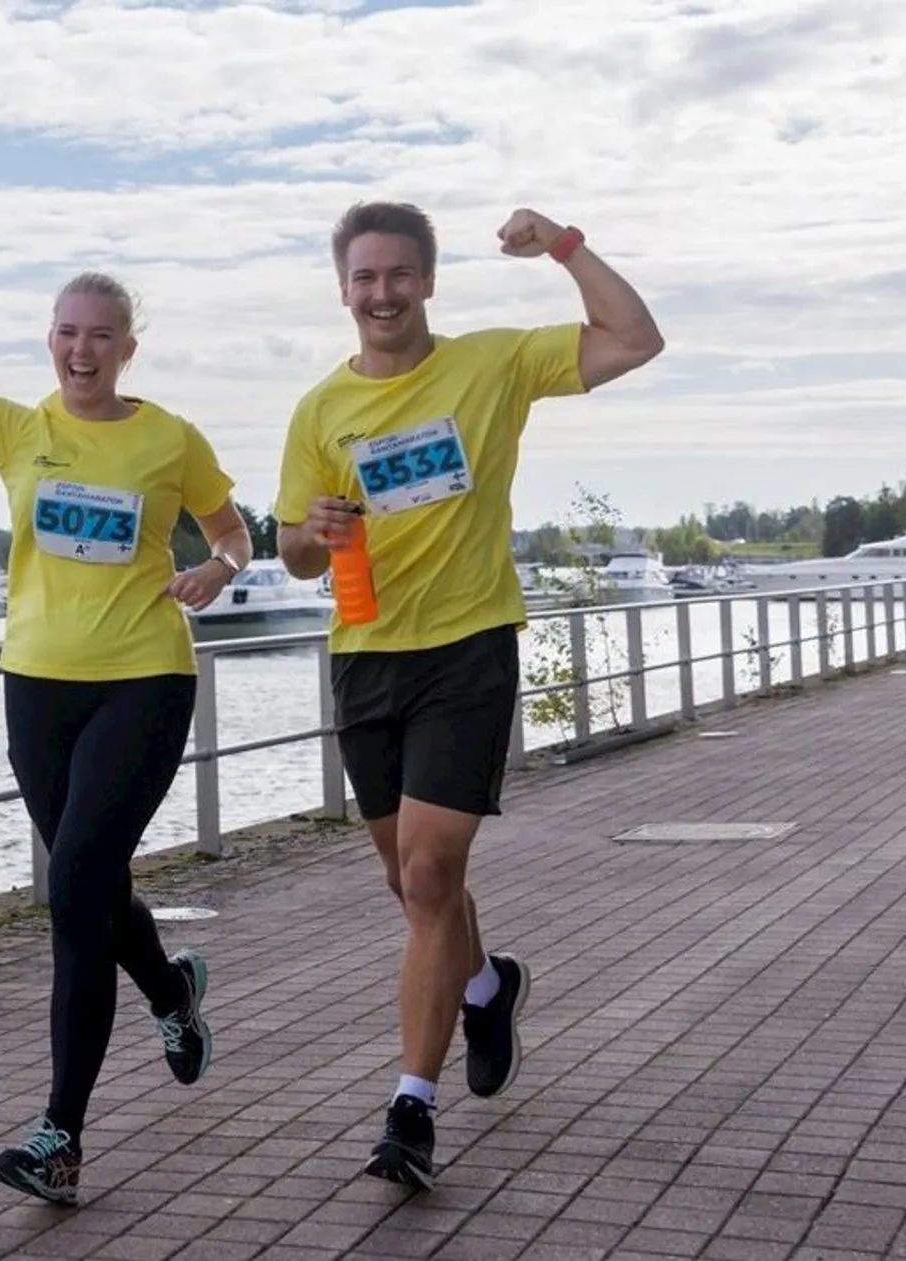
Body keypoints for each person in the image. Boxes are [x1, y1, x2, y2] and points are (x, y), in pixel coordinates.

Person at [0, 216, 253, 1206]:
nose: (82, 351)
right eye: (66, 333)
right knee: (89, 886)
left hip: (144, 679)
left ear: (127, 347)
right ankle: (170, 989)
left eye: (101, 335)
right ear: (51, 339)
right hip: (37, 685)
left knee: (73, 886)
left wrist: (220, 566)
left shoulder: (169, 437)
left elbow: (232, 528)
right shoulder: (16, 430)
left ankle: (59, 1136)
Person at [274, 201, 664, 1189]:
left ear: (429, 282)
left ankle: (412, 1104)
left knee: (432, 871)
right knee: (412, 886)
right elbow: (294, 560)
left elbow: (635, 336)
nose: (383, 293)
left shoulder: (490, 366)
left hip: (468, 650)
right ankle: (486, 988)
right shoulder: (320, 411)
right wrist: (315, 532)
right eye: (365, 277)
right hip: (367, 657)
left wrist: (565, 248)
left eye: (400, 274)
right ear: (343, 290)